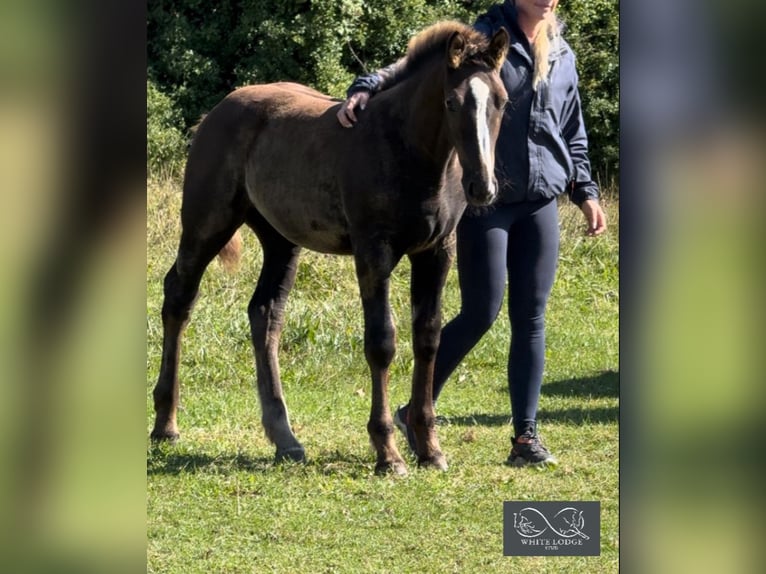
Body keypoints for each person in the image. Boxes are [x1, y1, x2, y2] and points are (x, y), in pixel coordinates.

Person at [337, 0, 607, 467]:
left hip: (541, 197)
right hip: (487, 198)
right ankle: (416, 410)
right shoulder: (483, 38)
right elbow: (410, 65)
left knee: (532, 317)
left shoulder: (561, 51)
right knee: (482, 309)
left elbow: (572, 125)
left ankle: (525, 438)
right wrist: (365, 86)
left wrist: (586, 190)